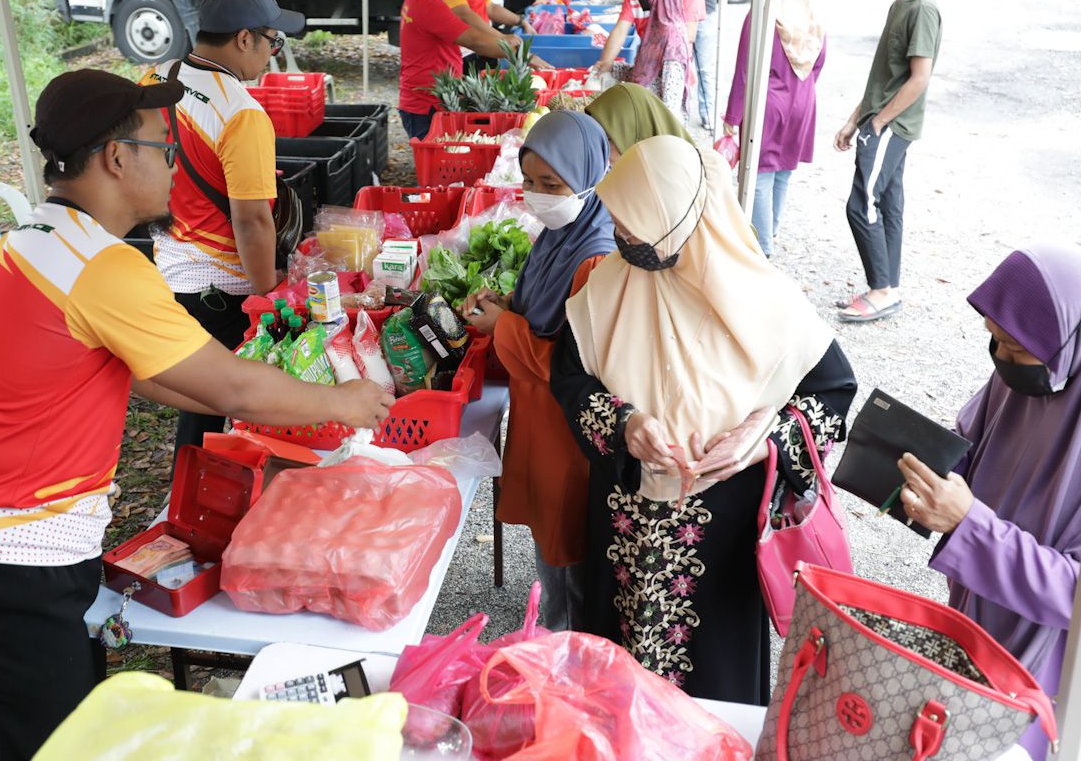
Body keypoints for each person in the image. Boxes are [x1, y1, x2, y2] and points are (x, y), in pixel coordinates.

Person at [0, 69, 393, 760]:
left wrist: (276, 412)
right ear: (117, 158)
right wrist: (343, 401)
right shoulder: (98, 266)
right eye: (166, 150)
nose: (176, 169)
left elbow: (165, 380)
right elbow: (232, 388)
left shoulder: (35, 239)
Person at [550, 134, 856, 703]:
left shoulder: (764, 298)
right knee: (614, 687)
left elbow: (833, 392)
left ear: (677, 218)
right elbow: (568, 378)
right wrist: (625, 425)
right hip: (624, 521)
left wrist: (761, 441)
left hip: (722, 530)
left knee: (712, 694)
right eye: (618, 222)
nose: (622, 237)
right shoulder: (607, 286)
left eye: (636, 224)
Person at [898, 242, 1081, 761]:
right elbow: (967, 446)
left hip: (1045, 664)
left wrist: (968, 522)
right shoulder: (1028, 374)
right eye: (994, 341)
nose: (1002, 361)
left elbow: (1073, 592)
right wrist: (924, 476)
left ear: (1068, 339)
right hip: (975, 621)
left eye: (1017, 350)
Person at [462, 112, 616, 630]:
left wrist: (503, 324)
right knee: (550, 542)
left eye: (552, 184)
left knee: (567, 544)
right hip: (540, 418)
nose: (537, 194)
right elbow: (540, 313)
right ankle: (553, 628)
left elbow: (574, 367)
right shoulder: (560, 234)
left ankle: (563, 647)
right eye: (528, 182)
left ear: (588, 175)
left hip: (567, 432)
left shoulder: (595, 257)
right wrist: (505, 305)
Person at [140, 0, 304, 461]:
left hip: (171, 265)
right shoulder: (241, 112)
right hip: (223, 285)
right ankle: (201, 504)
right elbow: (252, 219)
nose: (273, 54)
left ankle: (192, 496)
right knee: (226, 402)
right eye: (273, 41)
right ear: (244, 39)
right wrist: (266, 288)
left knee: (200, 398)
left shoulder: (157, 76)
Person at [834, 0, 941, 323]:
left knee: (861, 204)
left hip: (891, 126)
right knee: (889, 204)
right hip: (880, 121)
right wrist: (853, 119)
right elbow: (886, 76)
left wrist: (878, 122)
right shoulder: (900, 4)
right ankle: (888, 289)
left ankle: (880, 291)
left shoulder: (923, 9)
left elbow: (919, 78)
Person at [723, 0, 826, 257]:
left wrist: (733, 115)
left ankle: (762, 247)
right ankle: (772, 230)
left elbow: (745, 69)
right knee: (784, 172)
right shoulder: (814, 19)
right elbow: (819, 63)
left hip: (768, 103)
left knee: (760, 174)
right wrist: (800, 88)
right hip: (804, 101)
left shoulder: (763, 16)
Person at [398, 0, 521, 140]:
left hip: (425, 99)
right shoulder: (430, 4)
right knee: (432, 164)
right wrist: (507, 46)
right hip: (426, 104)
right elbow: (473, 40)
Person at [592, 0, 704, 120]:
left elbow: (670, 114)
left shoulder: (673, 47)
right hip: (645, 114)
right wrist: (611, 66)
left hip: (658, 128)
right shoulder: (653, 37)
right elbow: (644, 74)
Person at [444, 0, 548, 74]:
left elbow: (490, 7)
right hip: (467, 52)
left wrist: (521, 21)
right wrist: (503, 39)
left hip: (486, 48)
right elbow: (464, 14)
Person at [585, 81, 694, 162]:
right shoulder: (644, 163)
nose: (597, 149)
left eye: (607, 139)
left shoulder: (674, 183)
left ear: (636, 136)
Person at [684, 0, 721, 131]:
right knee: (681, 67)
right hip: (681, 14)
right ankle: (681, 115)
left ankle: (708, 114)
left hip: (707, 12)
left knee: (705, 68)